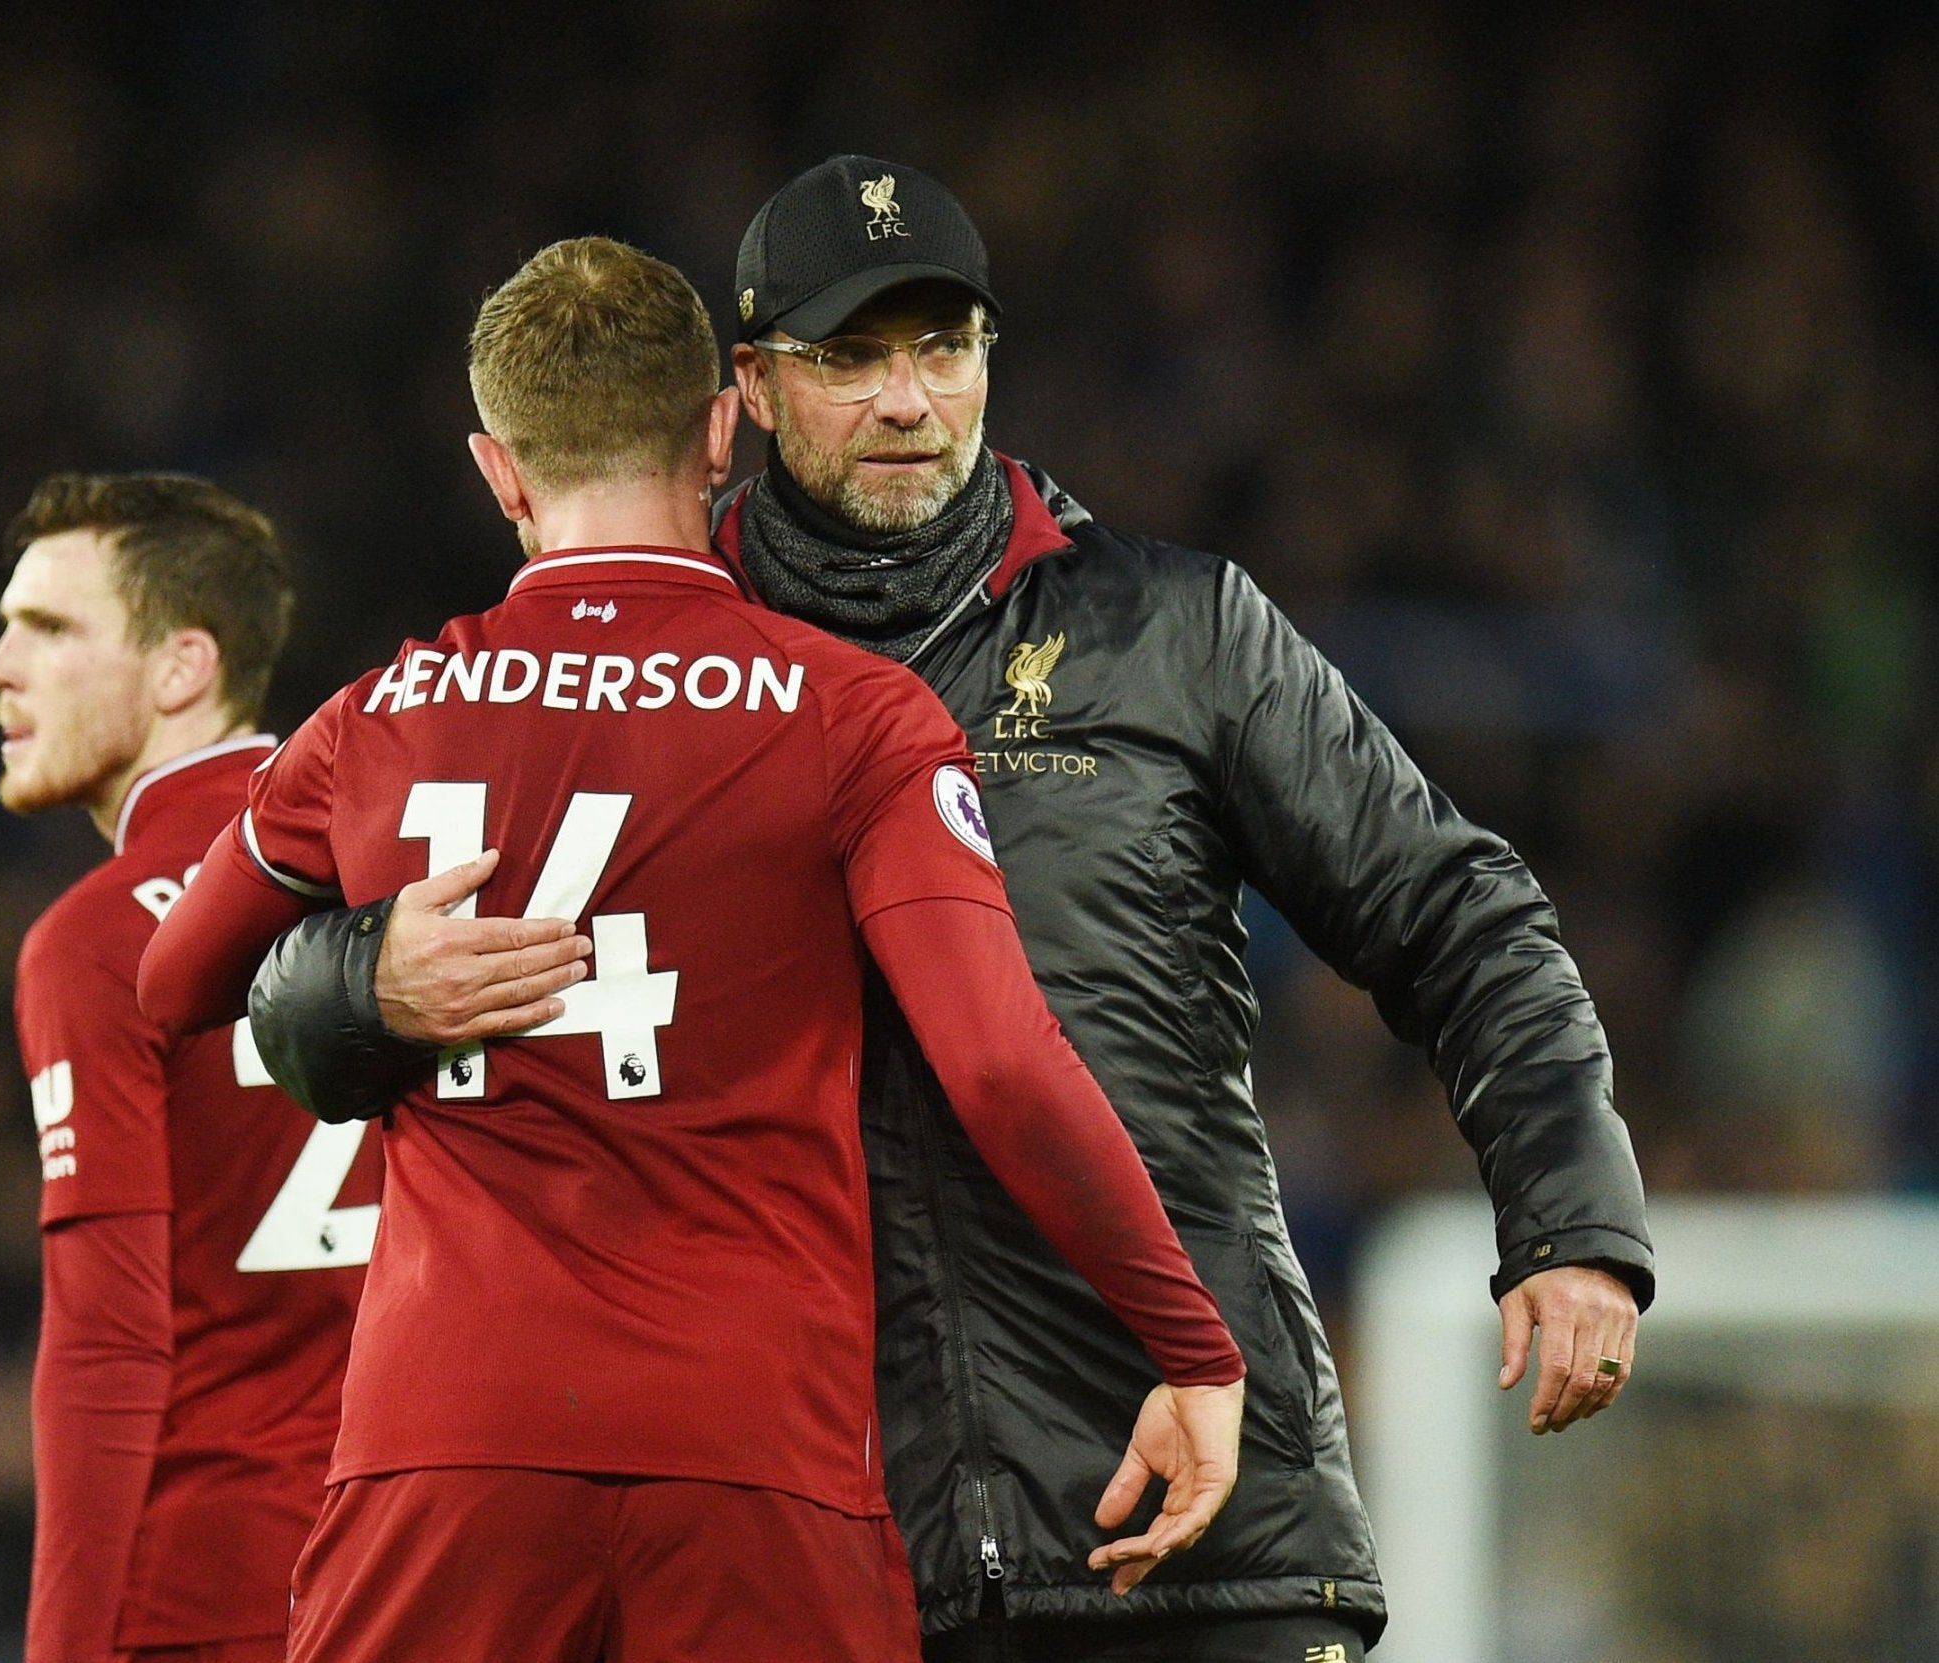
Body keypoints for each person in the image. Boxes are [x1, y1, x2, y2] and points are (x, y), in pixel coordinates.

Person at [247, 161, 1656, 1663]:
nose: (907, 399)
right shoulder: (626, 670)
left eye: (941, 346)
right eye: (850, 358)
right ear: (751, 392)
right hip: (815, 1540)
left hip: (1194, 1514)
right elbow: (279, 981)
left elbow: (1456, 908)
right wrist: (359, 985)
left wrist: (1570, 1215)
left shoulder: (1172, 631)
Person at [137, 236, 1249, 1663]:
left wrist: (363, 974)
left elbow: (171, 983)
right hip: (757, 1451)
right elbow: (1001, 1065)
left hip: (442, 1442)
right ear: (724, 427)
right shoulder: (855, 716)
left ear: (499, 467)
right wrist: (1191, 1342)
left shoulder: (381, 714)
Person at [0, 474, 401, 1663]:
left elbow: (107, 1341)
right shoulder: (403, 874)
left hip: (209, 1592)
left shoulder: (102, 935)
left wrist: (66, 1646)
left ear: (180, 670)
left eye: (49, 630)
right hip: (428, 1568)